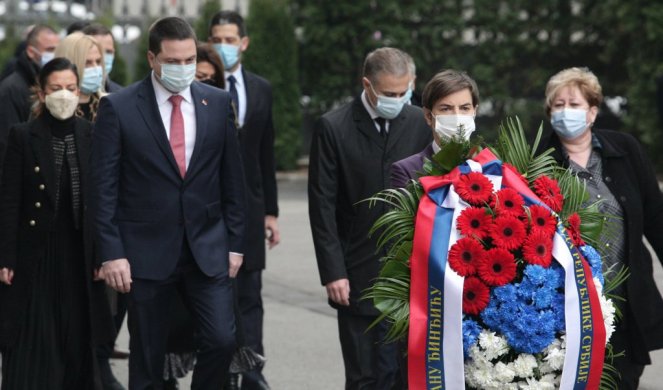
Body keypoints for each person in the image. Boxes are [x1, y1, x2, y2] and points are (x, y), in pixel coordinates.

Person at [89, 16, 247, 389]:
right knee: (148, 354)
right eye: (173, 61)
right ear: (151, 59)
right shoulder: (121, 107)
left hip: (206, 248)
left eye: (189, 60)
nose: (183, 69)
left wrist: (236, 243)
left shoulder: (216, 102)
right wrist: (111, 252)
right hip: (144, 253)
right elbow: (104, 188)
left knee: (222, 339)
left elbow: (232, 179)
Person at [308, 47, 431, 389]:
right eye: (388, 94)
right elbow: (322, 206)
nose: (397, 99)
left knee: (405, 375)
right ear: (367, 85)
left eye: (403, 92)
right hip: (358, 273)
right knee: (365, 376)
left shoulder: (421, 122)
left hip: (411, 272)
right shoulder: (334, 127)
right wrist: (333, 272)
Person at [538, 67, 663, 389]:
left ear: (592, 111)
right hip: (568, 309)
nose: (566, 112)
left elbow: (655, 216)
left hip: (625, 303)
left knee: (624, 380)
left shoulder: (626, 149)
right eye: (558, 105)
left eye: (574, 104)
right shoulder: (538, 162)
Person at [0, 57, 114, 389]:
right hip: (35, 253)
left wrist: (102, 254)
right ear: (41, 91)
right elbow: (9, 200)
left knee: (77, 339)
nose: (63, 94)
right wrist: (5, 257)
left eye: (70, 88)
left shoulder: (92, 134)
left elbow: (102, 200)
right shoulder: (23, 135)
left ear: (79, 92)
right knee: (34, 340)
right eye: (55, 88)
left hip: (79, 253)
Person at [208, 10, 280, 389]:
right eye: (216, 38)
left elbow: (264, 154)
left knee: (250, 296)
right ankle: (218, 372)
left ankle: (252, 372)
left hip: (251, 211)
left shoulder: (261, 88)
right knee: (214, 297)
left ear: (243, 43)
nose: (224, 46)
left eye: (230, 39)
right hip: (208, 210)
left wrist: (271, 211)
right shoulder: (201, 86)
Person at [391, 69, 480, 188]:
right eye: (446, 109)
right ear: (428, 116)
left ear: (474, 111)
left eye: (464, 108)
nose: (457, 116)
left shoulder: (493, 166)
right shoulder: (407, 171)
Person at [0, 24, 60, 168]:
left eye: (58, 49)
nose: (55, 55)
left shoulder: (53, 83)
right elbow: (7, 144)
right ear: (31, 52)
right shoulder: (12, 89)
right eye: (50, 50)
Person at [54, 32, 106, 122]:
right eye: (87, 63)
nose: (96, 69)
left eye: (98, 61)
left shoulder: (109, 106)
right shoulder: (51, 110)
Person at [83, 23, 123, 93]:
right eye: (99, 50)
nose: (103, 56)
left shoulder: (122, 95)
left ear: (113, 53)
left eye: (108, 52)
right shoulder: (70, 94)